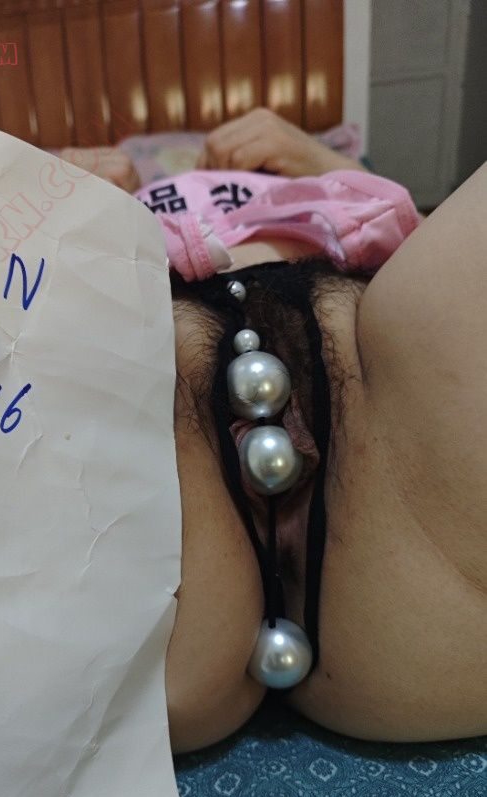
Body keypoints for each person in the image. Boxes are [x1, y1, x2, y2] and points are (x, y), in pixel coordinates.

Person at [61, 109, 487, 754]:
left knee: (422, 296)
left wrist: (324, 162)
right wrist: (35, 198)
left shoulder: (332, 187)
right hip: (155, 435)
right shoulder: (95, 209)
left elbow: (425, 253)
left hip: (396, 448)